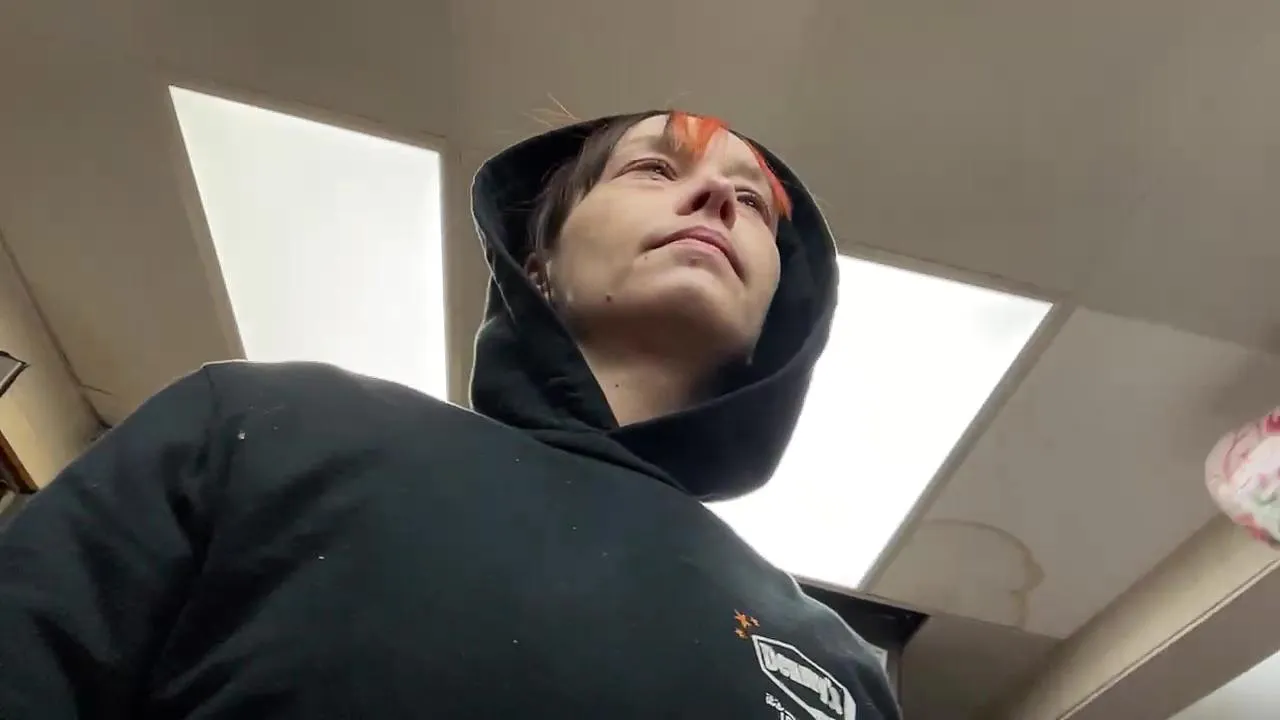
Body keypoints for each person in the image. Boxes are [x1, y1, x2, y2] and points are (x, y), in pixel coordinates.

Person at [0, 110, 900, 719]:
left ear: (774, 319)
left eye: (754, 203)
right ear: (539, 262)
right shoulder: (262, 425)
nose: (717, 199)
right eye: (654, 167)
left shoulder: (838, 669)